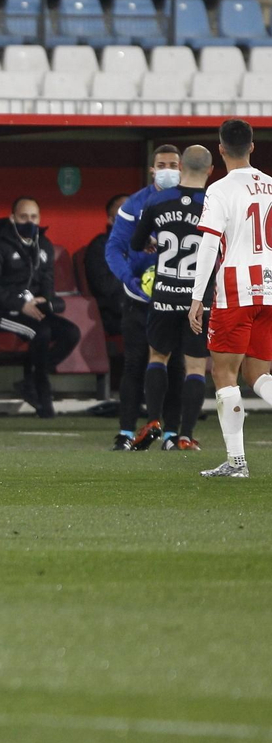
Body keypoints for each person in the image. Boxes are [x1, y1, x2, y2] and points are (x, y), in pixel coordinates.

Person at [190, 119, 272, 479]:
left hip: (236, 291)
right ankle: (234, 462)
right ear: (252, 146)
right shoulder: (271, 184)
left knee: (224, 372)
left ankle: (236, 463)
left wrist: (197, 297)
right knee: (259, 374)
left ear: (220, 149)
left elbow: (209, 243)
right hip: (269, 288)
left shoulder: (219, 189)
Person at [128, 144, 214, 452]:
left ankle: (153, 420)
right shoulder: (214, 204)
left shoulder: (158, 200)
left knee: (158, 357)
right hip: (198, 299)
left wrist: (156, 241)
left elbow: (137, 244)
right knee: (194, 367)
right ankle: (185, 436)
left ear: (180, 168)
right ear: (209, 170)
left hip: (164, 293)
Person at [0, 197, 81, 418]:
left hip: (32, 310)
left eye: (33, 217)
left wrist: (45, 301)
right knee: (40, 331)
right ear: (12, 218)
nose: (29, 222)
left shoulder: (44, 245)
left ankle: (30, 382)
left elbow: (48, 283)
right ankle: (43, 395)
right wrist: (20, 305)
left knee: (71, 332)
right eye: (23, 217)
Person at [106, 146, 183, 448]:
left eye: (173, 165)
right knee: (134, 363)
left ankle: (172, 434)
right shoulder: (135, 205)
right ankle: (125, 433)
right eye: (161, 165)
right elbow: (114, 248)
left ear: (182, 167)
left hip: (178, 296)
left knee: (176, 366)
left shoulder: (200, 202)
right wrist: (130, 280)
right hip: (139, 298)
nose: (167, 170)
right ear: (152, 169)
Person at [83, 194, 129, 341]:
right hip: (115, 314)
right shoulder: (99, 247)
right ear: (111, 220)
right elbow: (104, 287)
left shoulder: (148, 245)